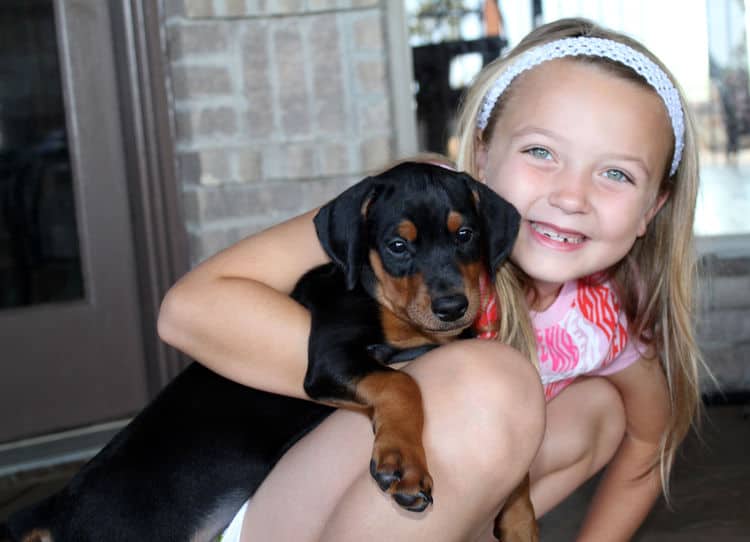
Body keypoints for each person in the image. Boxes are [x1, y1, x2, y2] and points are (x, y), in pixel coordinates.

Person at [157, 17, 706, 542]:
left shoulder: (605, 317)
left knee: (600, 414)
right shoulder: (417, 204)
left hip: (378, 505)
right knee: (493, 382)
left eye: (616, 173)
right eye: (541, 151)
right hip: (263, 506)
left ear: (650, 210)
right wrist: (388, 388)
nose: (570, 196)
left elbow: (649, 434)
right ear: (483, 158)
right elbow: (190, 310)